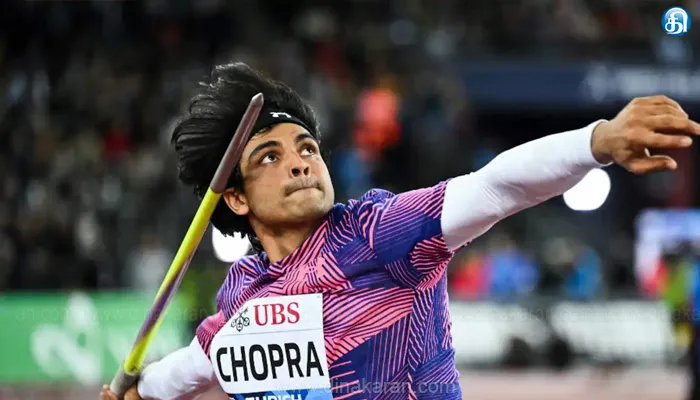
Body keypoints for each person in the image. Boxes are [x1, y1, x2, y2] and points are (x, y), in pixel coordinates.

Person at [100, 62, 699, 400]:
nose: (301, 163)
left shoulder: (374, 232)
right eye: (270, 158)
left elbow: (495, 187)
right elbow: (199, 361)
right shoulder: (242, 292)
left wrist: (596, 141)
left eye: (307, 148)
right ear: (234, 197)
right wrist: (141, 391)